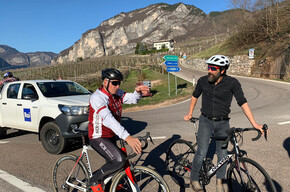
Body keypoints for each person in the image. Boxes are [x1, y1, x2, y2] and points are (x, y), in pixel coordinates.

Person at [184, 55, 264, 192]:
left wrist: (255, 123)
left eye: (213, 68)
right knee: (202, 152)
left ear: (222, 70)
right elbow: (194, 96)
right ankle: (194, 178)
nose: (209, 70)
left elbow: (242, 102)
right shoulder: (203, 81)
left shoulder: (232, 83)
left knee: (222, 155)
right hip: (205, 121)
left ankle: (219, 182)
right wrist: (190, 113)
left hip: (223, 123)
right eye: (208, 67)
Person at [88, 68, 149, 192]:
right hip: (98, 137)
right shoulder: (97, 98)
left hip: (110, 136)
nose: (117, 86)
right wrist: (127, 137)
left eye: (119, 83)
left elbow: (131, 98)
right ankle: (94, 180)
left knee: (114, 166)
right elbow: (108, 119)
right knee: (119, 160)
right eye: (114, 83)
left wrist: (137, 93)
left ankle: (110, 187)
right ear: (105, 82)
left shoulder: (116, 93)